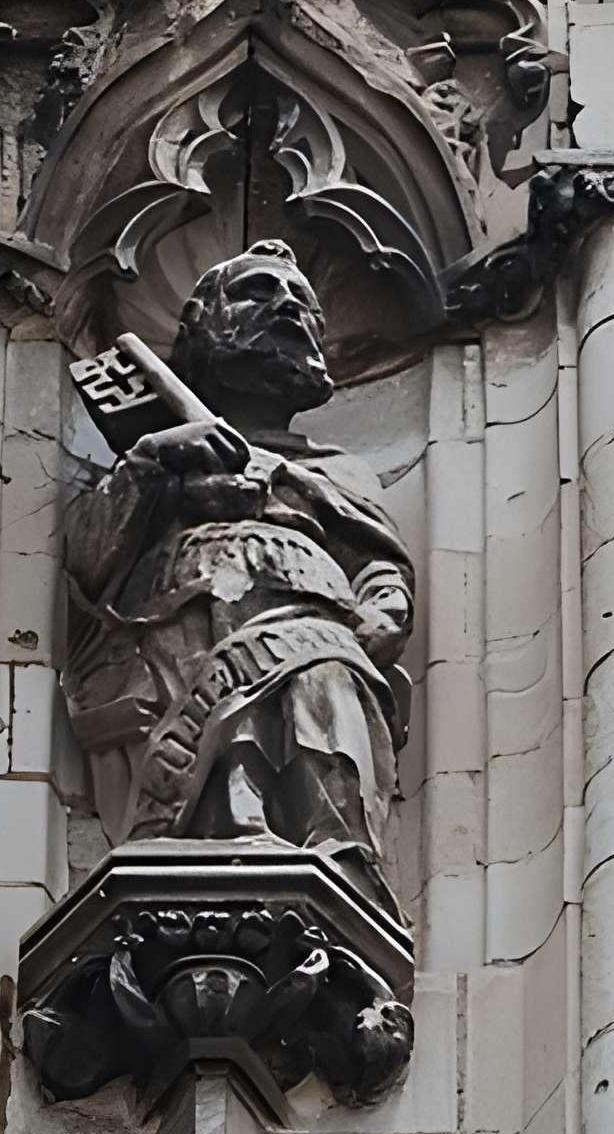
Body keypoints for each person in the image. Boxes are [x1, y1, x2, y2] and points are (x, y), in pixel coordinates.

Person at [63, 240, 414, 875]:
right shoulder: (159, 455)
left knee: (322, 727)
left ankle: (329, 869)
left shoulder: (339, 472)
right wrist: (157, 464)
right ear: (202, 324)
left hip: (316, 634)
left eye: (302, 302)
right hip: (181, 622)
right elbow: (88, 564)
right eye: (258, 290)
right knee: (226, 762)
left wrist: (383, 610)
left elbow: (379, 567)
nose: (285, 305)